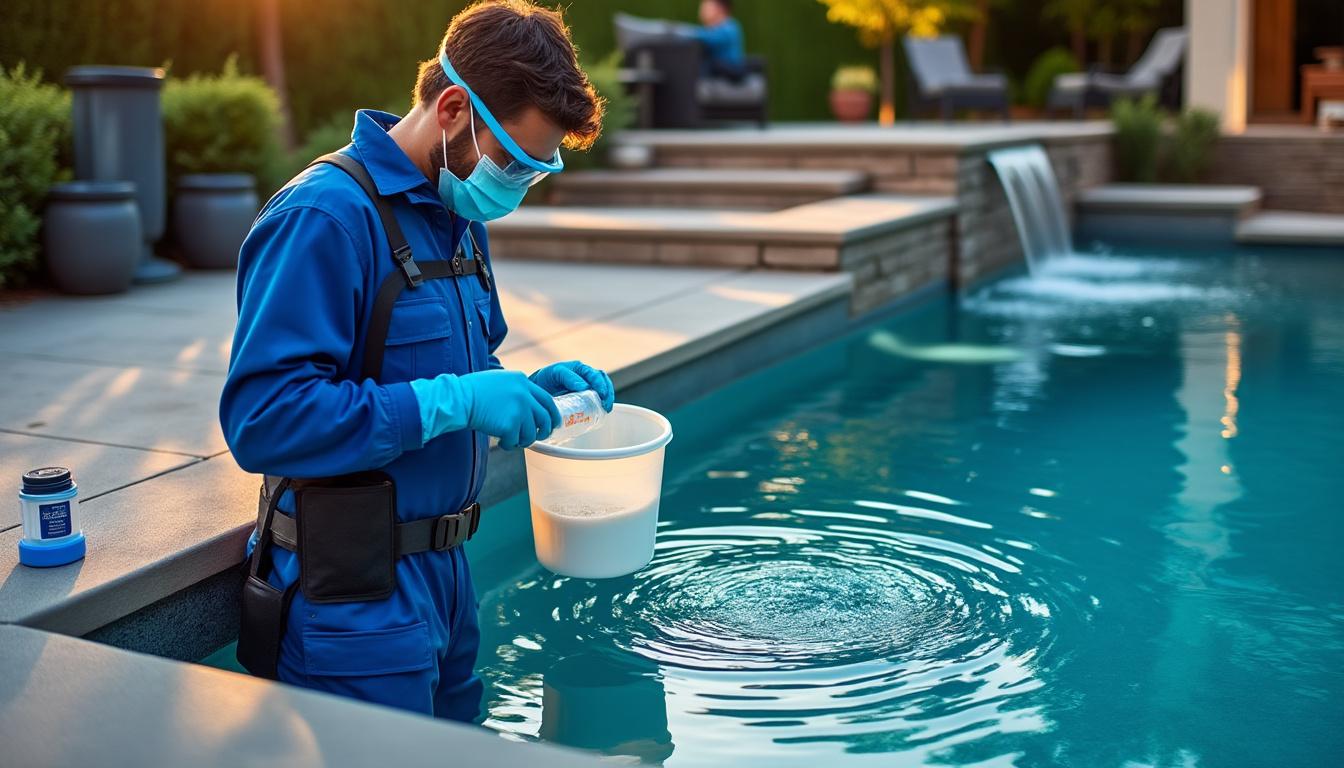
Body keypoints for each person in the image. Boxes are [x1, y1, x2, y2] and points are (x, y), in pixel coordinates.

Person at [219, 0, 612, 721]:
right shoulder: (324, 219)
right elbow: (263, 420)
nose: (517, 187)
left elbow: (449, 367)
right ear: (454, 108)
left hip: (448, 582)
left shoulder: (455, 216)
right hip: (356, 604)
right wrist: (456, 402)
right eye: (512, 163)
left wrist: (529, 393)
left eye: (536, 170)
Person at [691, 0, 745, 79]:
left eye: (706, 7)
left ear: (719, 9)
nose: (701, 11)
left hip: (729, 75)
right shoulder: (710, 29)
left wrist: (681, 32)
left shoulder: (729, 28)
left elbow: (708, 37)